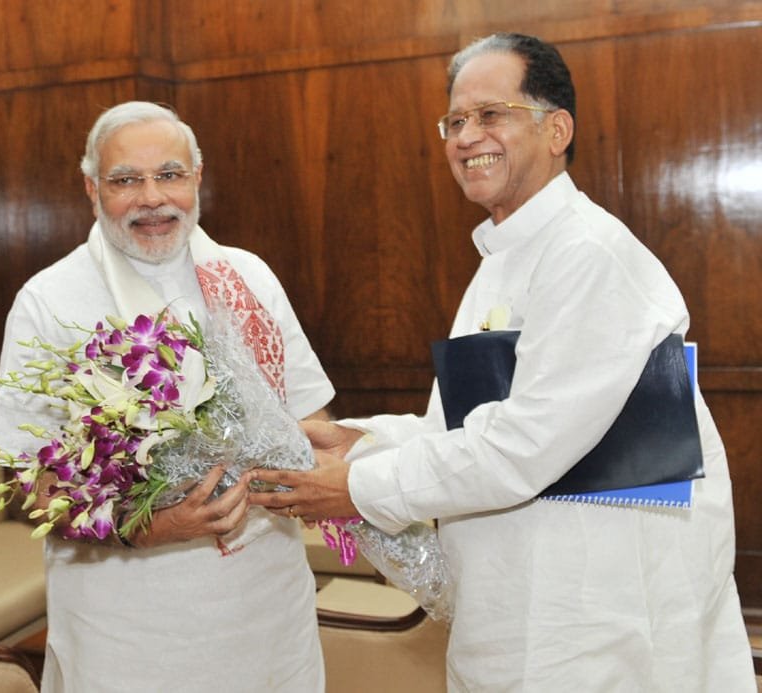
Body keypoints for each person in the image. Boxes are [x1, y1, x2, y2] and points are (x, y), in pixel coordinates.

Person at [249, 33, 757, 691]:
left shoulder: (587, 255)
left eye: (491, 115)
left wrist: (354, 487)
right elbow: (475, 427)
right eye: (454, 121)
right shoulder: (504, 259)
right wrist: (362, 440)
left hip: (597, 619)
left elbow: (523, 445)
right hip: (523, 606)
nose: (465, 136)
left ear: (557, 130)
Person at [0, 101, 334, 691]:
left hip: (268, 611)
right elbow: (27, 484)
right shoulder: (49, 300)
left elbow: (312, 421)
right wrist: (147, 526)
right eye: (126, 180)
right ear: (92, 188)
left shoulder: (248, 276)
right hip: (128, 628)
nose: (152, 197)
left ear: (197, 177)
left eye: (169, 174)